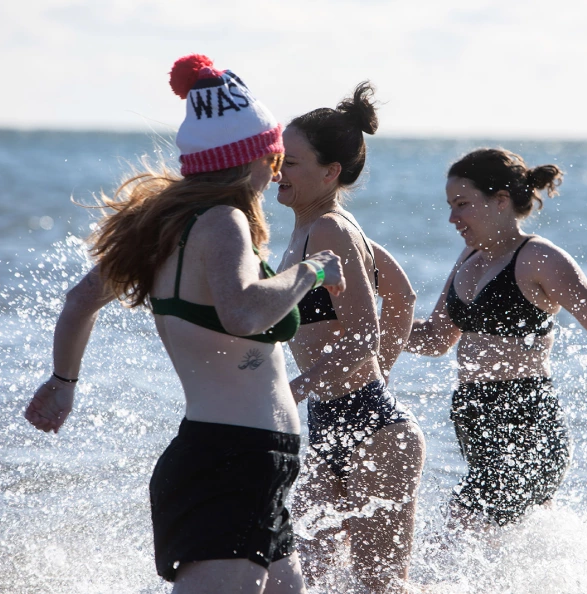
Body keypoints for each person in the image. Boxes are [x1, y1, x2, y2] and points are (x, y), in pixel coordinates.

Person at [23, 54, 346, 594]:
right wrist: (311, 271)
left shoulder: (162, 228)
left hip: (241, 459)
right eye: (273, 159)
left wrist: (63, 382)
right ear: (249, 160)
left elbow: (79, 301)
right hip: (235, 460)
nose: (274, 174)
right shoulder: (224, 221)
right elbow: (243, 312)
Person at [405, 148, 587, 527]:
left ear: (500, 200)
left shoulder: (537, 257)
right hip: (478, 428)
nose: (452, 218)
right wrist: (367, 327)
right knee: (496, 544)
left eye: (462, 204)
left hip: (526, 424)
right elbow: (435, 338)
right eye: (450, 206)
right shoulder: (468, 257)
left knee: (458, 529)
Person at [275, 82, 426, 593]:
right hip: (331, 425)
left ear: (330, 172)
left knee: (379, 587)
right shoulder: (315, 227)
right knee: (302, 578)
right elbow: (402, 295)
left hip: (375, 430)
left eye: (291, 162)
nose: (278, 169)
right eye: (277, 157)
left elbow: (364, 333)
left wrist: (295, 390)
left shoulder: (331, 230)